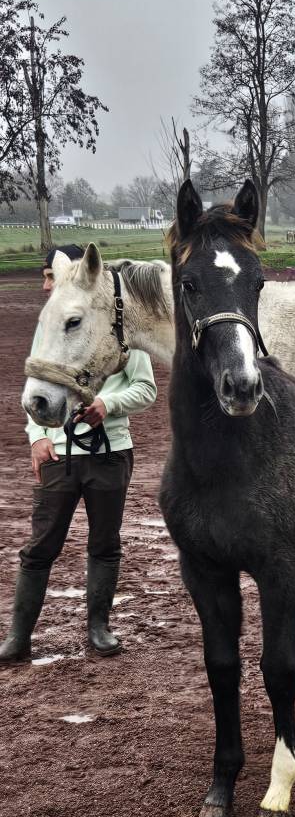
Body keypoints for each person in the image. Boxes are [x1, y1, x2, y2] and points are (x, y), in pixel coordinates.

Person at [0, 244, 157, 664]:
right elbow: (36, 388)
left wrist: (109, 405)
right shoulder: (50, 326)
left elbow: (146, 389)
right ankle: (18, 636)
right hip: (59, 456)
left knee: (105, 544)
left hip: (110, 453)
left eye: (53, 275)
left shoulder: (122, 330)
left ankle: (98, 627)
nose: (47, 284)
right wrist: (37, 436)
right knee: (40, 546)